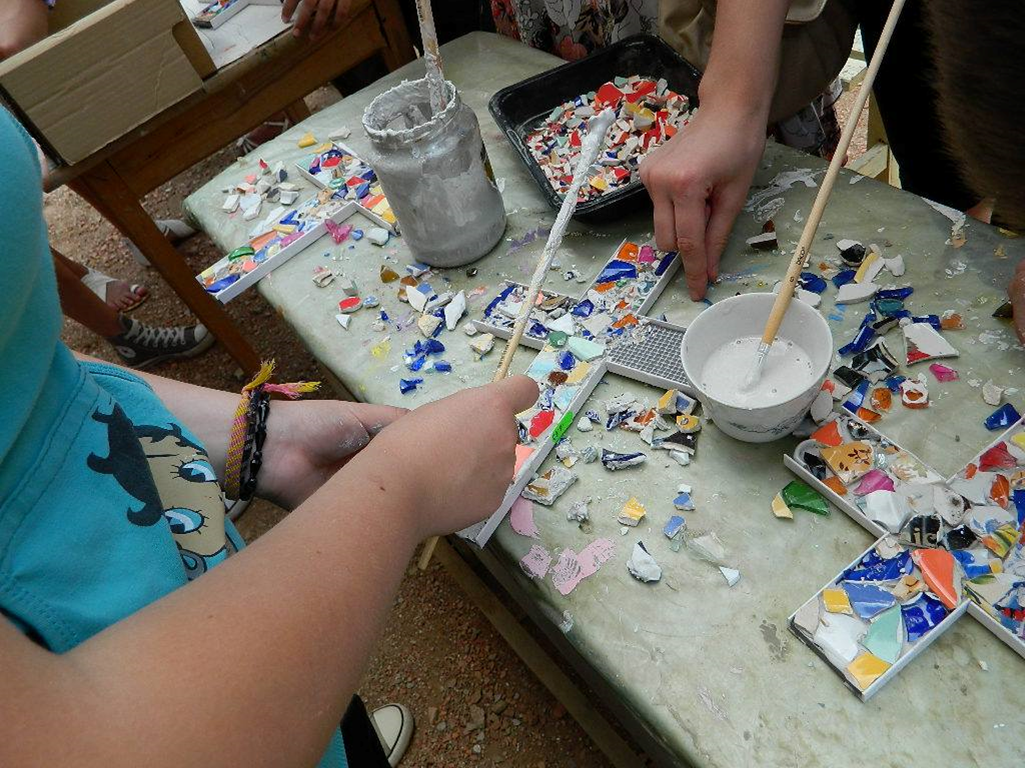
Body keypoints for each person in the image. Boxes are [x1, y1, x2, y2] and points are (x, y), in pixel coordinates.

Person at [0, 105, 538, 766]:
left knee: (335, 727)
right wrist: (403, 490)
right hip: (209, 718)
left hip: (247, 643)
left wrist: (262, 440)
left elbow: (27, 367)